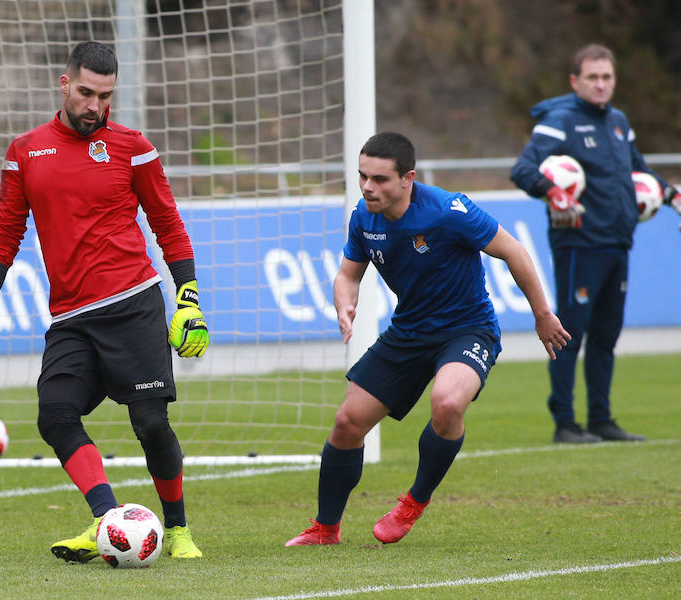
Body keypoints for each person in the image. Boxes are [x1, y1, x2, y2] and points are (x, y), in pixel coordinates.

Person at [0, 41, 210, 562]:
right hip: (71, 317)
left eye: (106, 96)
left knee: (151, 424)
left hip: (134, 303)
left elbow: (168, 224)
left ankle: (178, 529)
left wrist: (188, 299)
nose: (96, 106)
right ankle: (107, 522)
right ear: (65, 84)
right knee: (56, 415)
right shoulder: (25, 151)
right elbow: (5, 230)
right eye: (88, 93)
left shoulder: (133, 147)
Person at [286, 132, 570, 547]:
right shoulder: (363, 217)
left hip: (467, 329)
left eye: (380, 179)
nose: (368, 187)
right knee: (347, 423)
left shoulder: (448, 210)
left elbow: (515, 252)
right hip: (409, 331)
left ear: (408, 179)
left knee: (448, 403)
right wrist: (345, 304)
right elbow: (348, 274)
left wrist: (542, 314)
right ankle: (326, 528)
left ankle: (413, 502)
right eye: (363, 176)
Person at [510, 43, 681, 444]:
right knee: (569, 333)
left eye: (607, 77)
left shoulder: (619, 122)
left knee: (606, 335)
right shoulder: (559, 120)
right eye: (592, 77)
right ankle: (566, 424)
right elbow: (522, 169)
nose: (601, 84)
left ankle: (602, 419)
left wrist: (673, 197)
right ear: (575, 81)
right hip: (579, 243)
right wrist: (553, 191)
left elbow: (639, 171)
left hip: (619, 242)